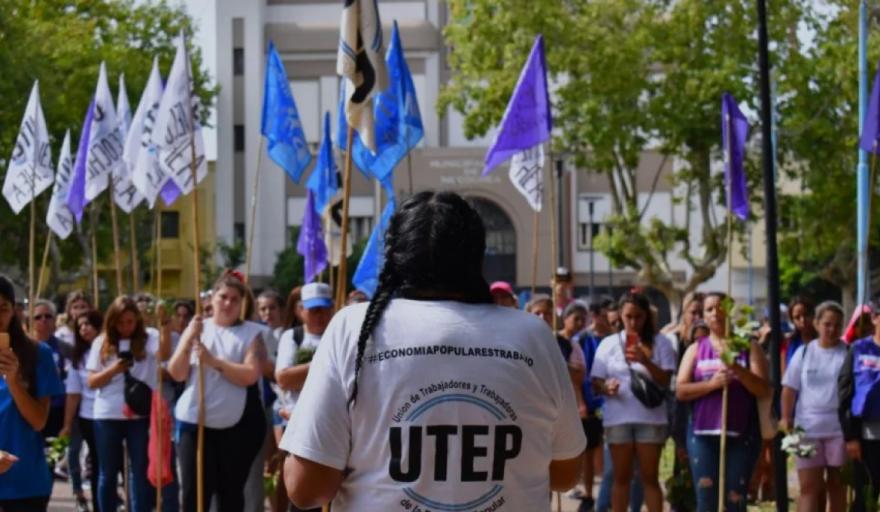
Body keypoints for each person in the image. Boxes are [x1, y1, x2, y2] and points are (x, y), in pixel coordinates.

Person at [281, 191, 585, 511]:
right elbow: (565, 473)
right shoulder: (534, 336)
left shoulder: (352, 329)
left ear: (394, 259)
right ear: (478, 260)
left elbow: (305, 488)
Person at [168, 273, 267, 512]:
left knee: (230, 494)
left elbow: (250, 374)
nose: (228, 303)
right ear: (212, 299)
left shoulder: (251, 334)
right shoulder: (198, 328)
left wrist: (213, 362)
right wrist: (190, 337)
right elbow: (177, 372)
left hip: (234, 427)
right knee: (193, 492)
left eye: (235, 299)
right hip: (196, 422)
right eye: (223, 297)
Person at [676, 292, 770, 512]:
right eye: (709, 309)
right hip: (702, 435)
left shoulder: (749, 347)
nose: (715, 313)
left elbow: (763, 389)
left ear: (730, 311)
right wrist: (712, 384)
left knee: (735, 501)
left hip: (740, 434)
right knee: (706, 500)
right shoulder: (696, 349)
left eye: (720, 307)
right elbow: (681, 390)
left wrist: (736, 367)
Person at [591, 291, 674, 512]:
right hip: (618, 419)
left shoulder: (661, 343)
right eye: (628, 316)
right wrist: (605, 387)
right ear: (620, 315)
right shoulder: (608, 344)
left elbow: (666, 379)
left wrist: (645, 360)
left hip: (651, 418)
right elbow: (595, 381)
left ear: (646, 316)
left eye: (638, 316)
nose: (633, 322)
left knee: (649, 478)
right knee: (621, 478)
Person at [87, 296, 166, 512]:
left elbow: (165, 354)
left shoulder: (149, 338)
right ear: (112, 321)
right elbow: (92, 381)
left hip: (137, 414)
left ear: (137, 320)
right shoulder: (101, 342)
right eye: (120, 322)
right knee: (107, 472)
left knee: (139, 471)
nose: (125, 328)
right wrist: (114, 369)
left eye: (130, 322)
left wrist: (164, 326)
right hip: (107, 414)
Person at [0, 275, 64, 512]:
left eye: (3, 309)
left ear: (14, 310)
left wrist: (14, 381)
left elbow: (39, 421)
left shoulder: (38, 353)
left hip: (25, 485)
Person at [274, 282, 334, 512]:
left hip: (332, 424)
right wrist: (324, 364)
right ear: (300, 311)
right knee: (303, 493)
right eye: (313, 309)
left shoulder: (339, 335)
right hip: (299, 424)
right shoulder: (293, 337)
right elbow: (284, 378)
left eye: (324, 309)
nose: (320, 315)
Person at [781, 301, 846, 512]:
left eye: (837, 325)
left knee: (837, 486)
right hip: (806, 429)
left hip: (839, 430)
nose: (832, 329)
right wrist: (786, 417)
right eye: (827, 324)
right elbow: (789, 389)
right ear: (816, 324)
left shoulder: (848, 353)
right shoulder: (804, 352)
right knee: (809, 487)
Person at [838, 297, 880, 512]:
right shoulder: (858, 349)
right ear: (874, 318)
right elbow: (845, 394)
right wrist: (851, 436)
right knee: (865, 496)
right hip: (865, 436)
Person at [61, 310, 104, 512]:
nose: (84, 329)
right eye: (80, 326)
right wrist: (68, 424)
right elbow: (73, 394)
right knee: (96, 464)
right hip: (89, 416)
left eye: (88, 324)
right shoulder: (79, 358)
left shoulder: (109, 350)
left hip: (113, 414)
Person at [31, 299, 68, 439]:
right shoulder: (25, 347)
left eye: (48, 316)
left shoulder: (65, 348)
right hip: (32, 408)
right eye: (38, 317)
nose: (43, 320)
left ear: (54, 320)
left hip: (57, 408)